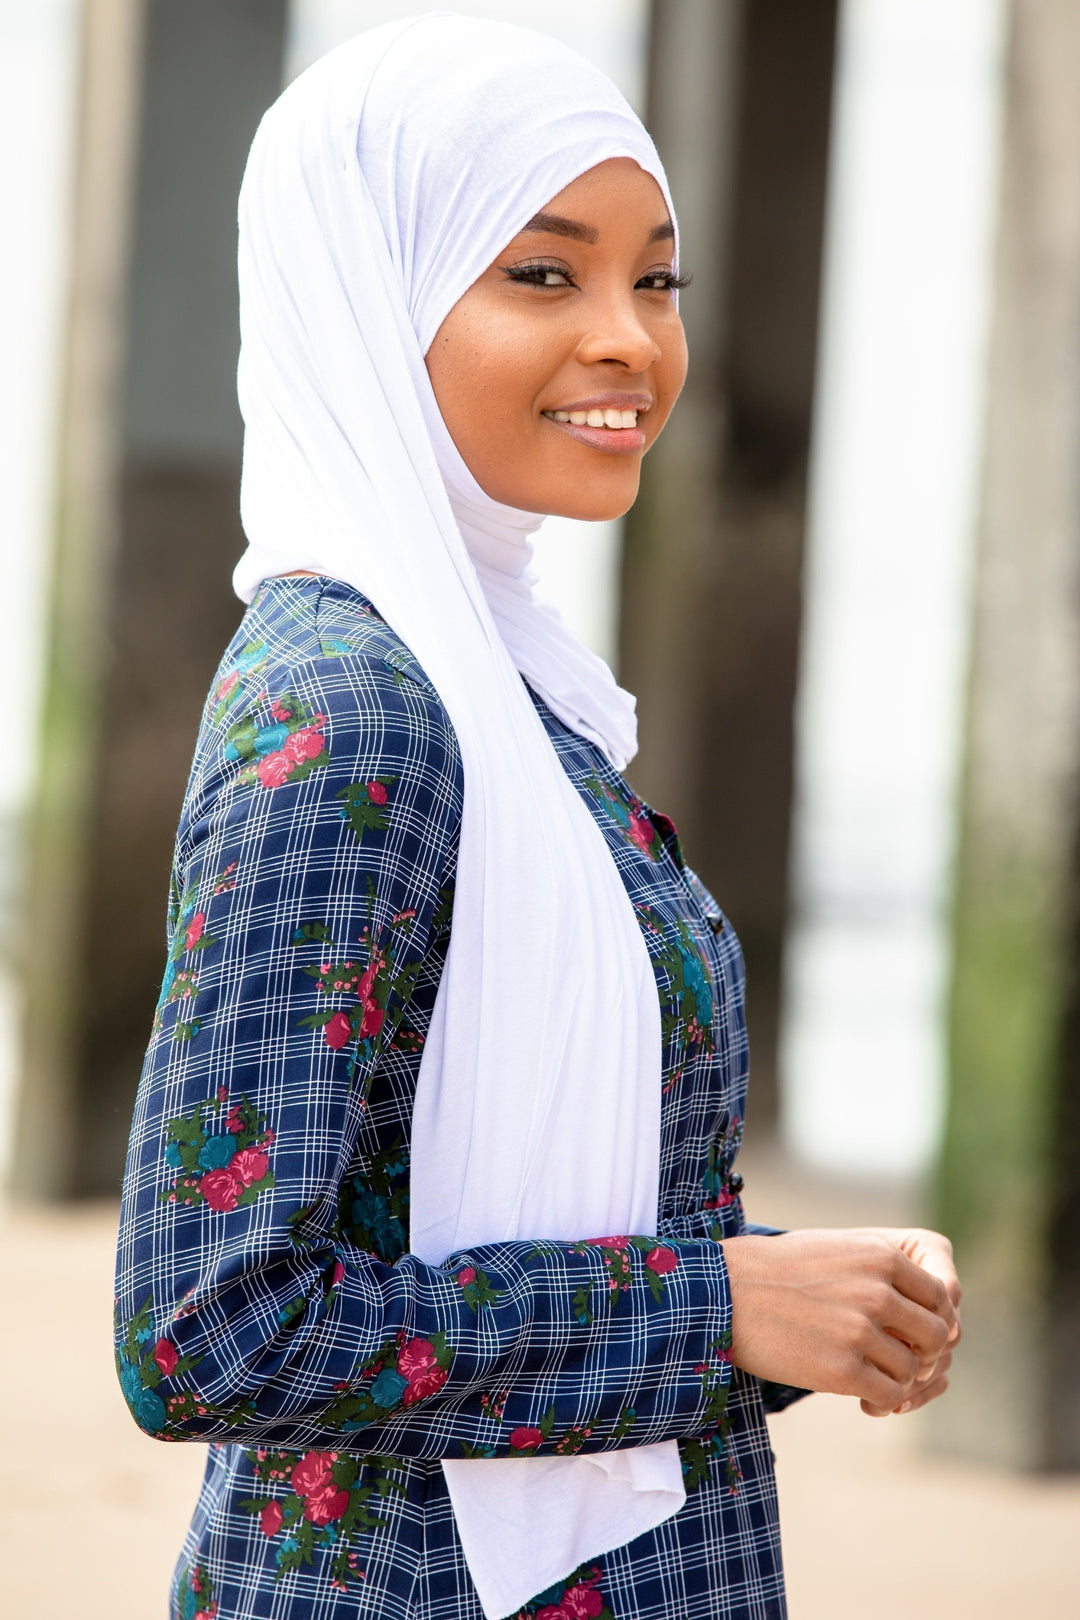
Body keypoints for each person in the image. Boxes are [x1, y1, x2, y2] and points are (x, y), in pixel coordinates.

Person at [114, 16, 960, 1620]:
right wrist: (716, 1307)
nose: (631, 339)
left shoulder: (499, 683)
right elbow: (207, 1324)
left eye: (657, 277)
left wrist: (789, 1291)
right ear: (374, 309)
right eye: (542, 273)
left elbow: (445, 1199)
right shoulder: (351, 713)